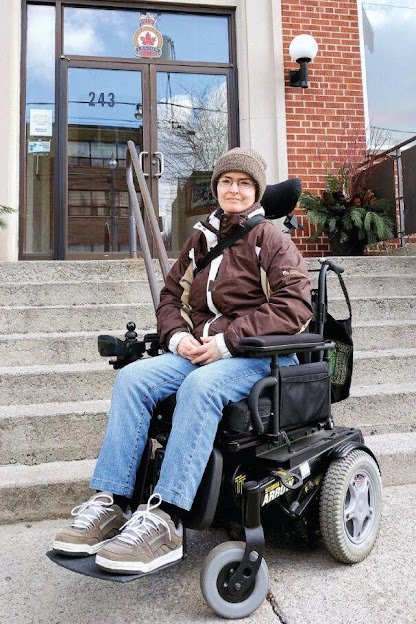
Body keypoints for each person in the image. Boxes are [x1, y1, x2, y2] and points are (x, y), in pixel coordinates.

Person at [53, 147, 312, 574]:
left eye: (243, 183)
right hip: (200, 350)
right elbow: (170, 297)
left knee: (199, 387)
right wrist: (177, 338)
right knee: (134, 378)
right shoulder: (201, 240)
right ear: (216, 189)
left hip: (255, 355)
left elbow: (294, 306)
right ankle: (113, 501)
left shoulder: (271, 240)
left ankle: (167, 519)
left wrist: (227, 342)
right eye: (226, 181)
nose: (233, 189)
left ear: (256, 192)